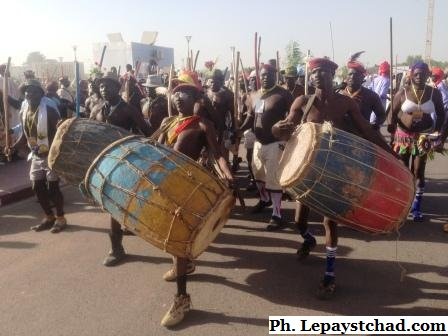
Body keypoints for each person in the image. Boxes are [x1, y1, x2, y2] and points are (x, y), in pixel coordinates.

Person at [272, 57, 394, 298]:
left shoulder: (345, 103)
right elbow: (283, 128)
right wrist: (278, 129)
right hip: (307, 173)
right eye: (314, 72)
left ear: (332, 74)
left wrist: (390, 154)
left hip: (333, 172)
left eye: (322, 72)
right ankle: (308, 239)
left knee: (329, 222)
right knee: (299, 221)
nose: (317, 76)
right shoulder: (303, 102)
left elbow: (366, 130)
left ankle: (329, 274)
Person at [157, 70, 234, 327]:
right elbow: (153, 145)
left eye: (185, 92)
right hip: (165, 186)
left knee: (178, 241)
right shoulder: (168, 121)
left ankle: (182, 299)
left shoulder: (202, 124)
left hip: (187, 188)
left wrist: (227, 174)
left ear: (196, 96)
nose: (179, 97)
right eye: (176, 92)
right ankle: (185, 265)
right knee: (170, 235)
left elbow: (217, 154)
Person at [90, 72, 152, 266]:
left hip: (124, 162)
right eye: (101, 86)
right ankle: (126, 227)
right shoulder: (97, 107)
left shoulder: (129, 110)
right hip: (103, 162)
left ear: (118, 88)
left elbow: (147, 132)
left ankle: (117, 249)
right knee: (115, 205)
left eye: (108, 86)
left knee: (113, 206)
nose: (103, 89)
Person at [387, 61, 445, 222]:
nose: (419, 76)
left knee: (418, 171)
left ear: (428, 75)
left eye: (423, 74)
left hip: (423, 138)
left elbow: (441, 114)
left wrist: (438, 132)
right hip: (403, 137)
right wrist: (392, 126)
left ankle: (416, 206)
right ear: (411, 74)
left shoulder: (434, 93)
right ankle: (402, 203)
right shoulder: (403, 92)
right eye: (417, 73)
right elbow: (392, 112)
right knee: (403, 171)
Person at [240, 63, 293, 231]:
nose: (264, 77)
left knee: (273, 179)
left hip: (275, 143)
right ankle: (264, 199)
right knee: (258, 175)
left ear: (275, 76)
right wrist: (238, 130)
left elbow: (293, 117)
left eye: (268, 75)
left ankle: (277, 214)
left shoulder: (283, 95)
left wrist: (286, 134)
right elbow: (250, 118)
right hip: (258, 142)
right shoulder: (255, 95)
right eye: (262, 75)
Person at [19, 79, 67, 233]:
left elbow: (62, 133)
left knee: (53, 188)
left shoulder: (50, 111)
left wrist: (57, 152)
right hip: (36, 155)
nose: (30, 94)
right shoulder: (24, 111)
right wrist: (13, 147)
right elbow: (25, 134)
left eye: (34, 91)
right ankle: (49, 216)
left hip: (51, 155)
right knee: (36, 186)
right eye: (28, 91)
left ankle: (60, 218)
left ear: (41, 94)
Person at [339, 55, 386, 131]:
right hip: (341, 136)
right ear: (346, 77)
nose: (352, 77)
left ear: (362, 78)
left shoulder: (371, 96)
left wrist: (374, 126)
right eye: (350, 74)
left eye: (356, 74)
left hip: (363, 136)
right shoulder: (338, 95)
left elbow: (381, 115)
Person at [205, 69, 235, 163]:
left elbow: (233, 113)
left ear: (220, 81)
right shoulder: (205, 93)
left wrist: (234, 130)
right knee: (209, 156)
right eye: (211, 81)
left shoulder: (228, 95)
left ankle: (226, 175)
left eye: (216, 81)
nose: (213, 84)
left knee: (223, 156)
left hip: (222, 129)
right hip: (208, 129)